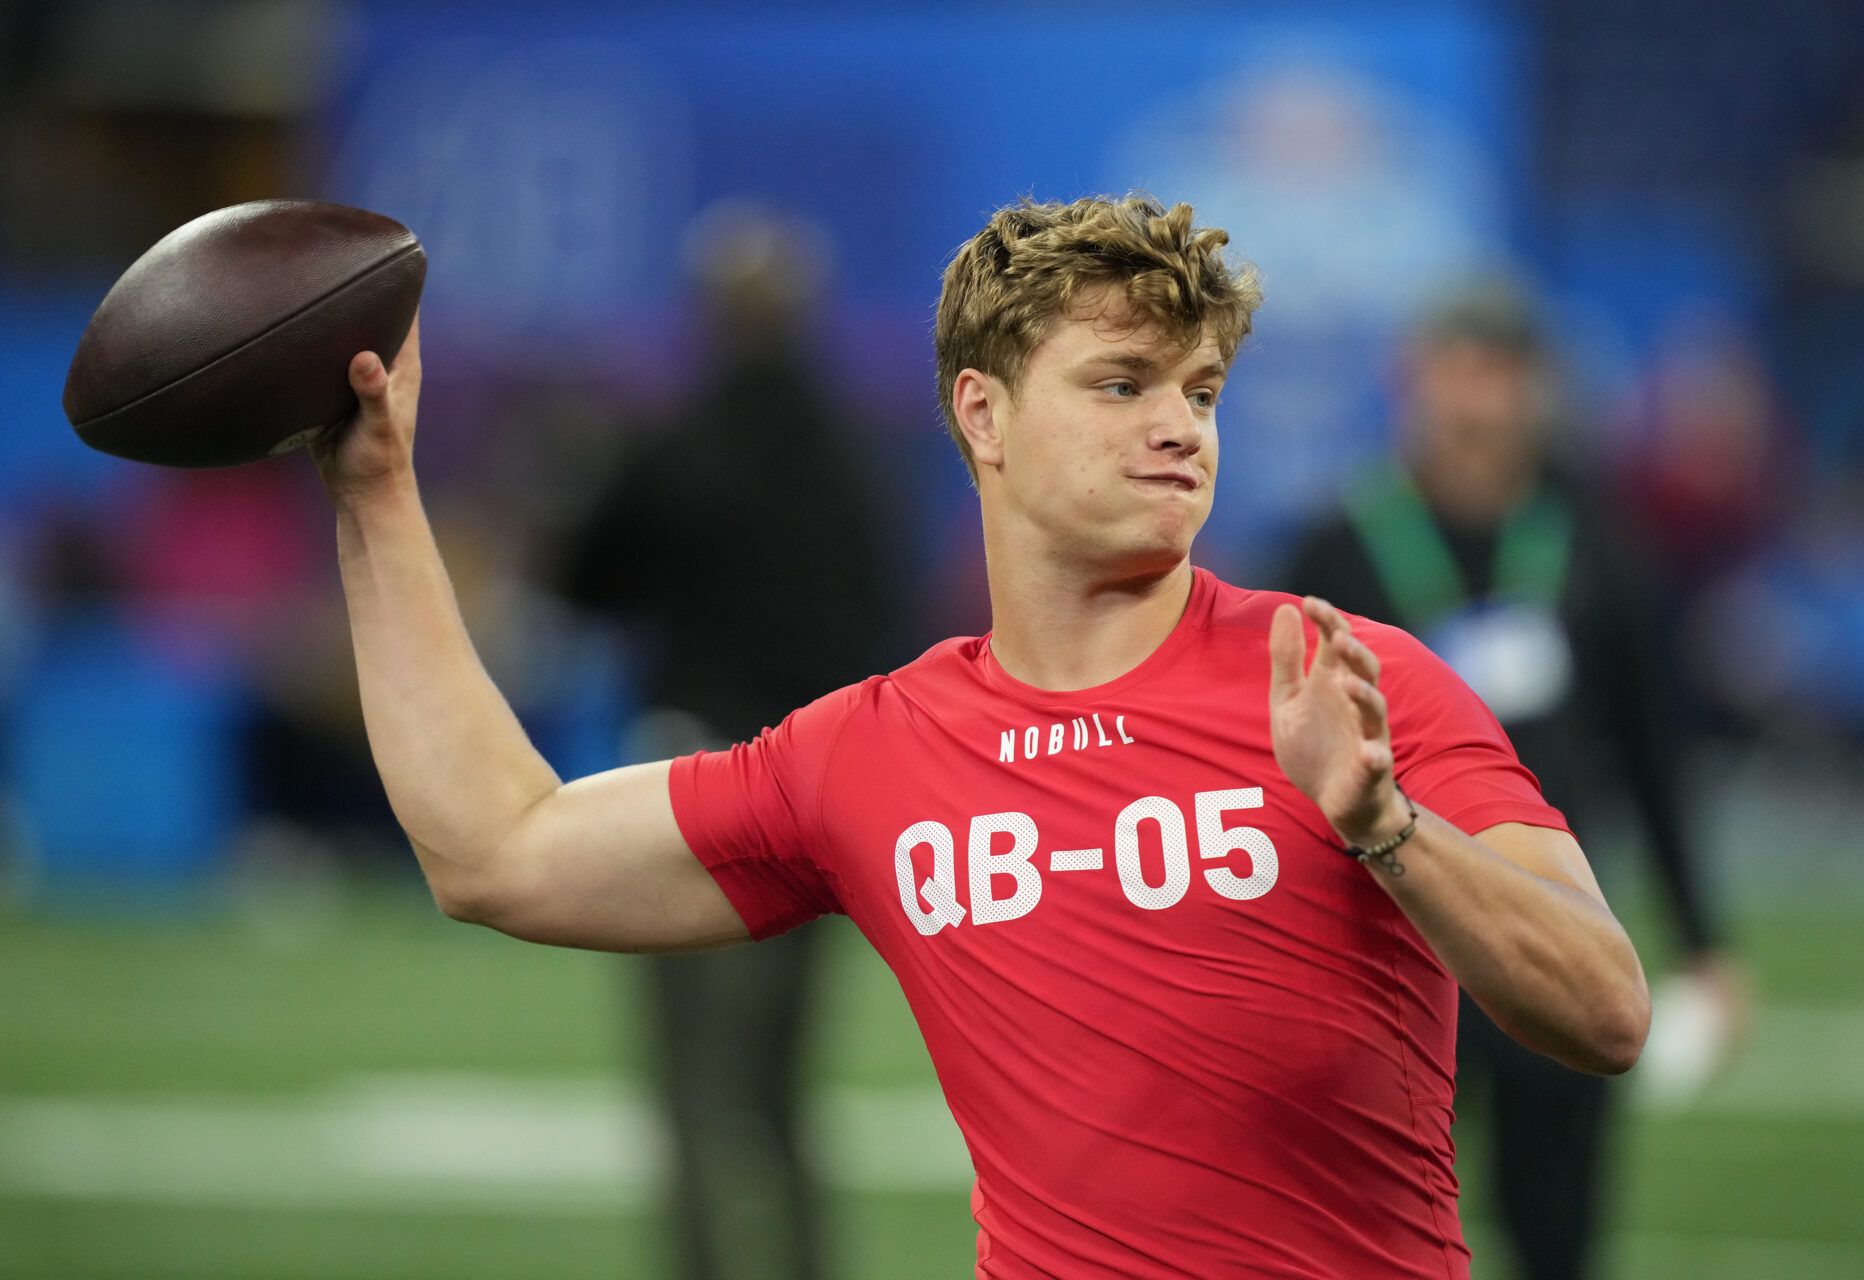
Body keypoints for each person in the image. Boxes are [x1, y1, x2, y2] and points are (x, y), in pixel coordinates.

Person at [312, 195, 1649, 1279]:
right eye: (1121, 384)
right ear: (982, 413)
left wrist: (1385, 829)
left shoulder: (1351, 681)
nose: (1180, 426)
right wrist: (376, 494)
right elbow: (499, 849)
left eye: (1202, 389)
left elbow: (1603, 1008)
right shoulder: (873, 752)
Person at [1272, 281, 1743, 1279]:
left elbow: (1654, 749)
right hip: (1383, 939)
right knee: (1362, 1232)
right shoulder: (1337, 542)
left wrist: (1703, 938)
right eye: (1455, 371)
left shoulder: (1599, 539)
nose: (1476, 401)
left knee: (1557, 1229)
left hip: (1542, 914)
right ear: (1408, 383)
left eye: (1500, 374)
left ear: (1540, 388)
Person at [555, 203, 899, 1280]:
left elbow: (581, 577)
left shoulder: (676, 440)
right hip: (816, 797)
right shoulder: (856, 451)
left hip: (695, 793)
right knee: (783, 1096)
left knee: (696, 1092)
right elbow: (885, 613)